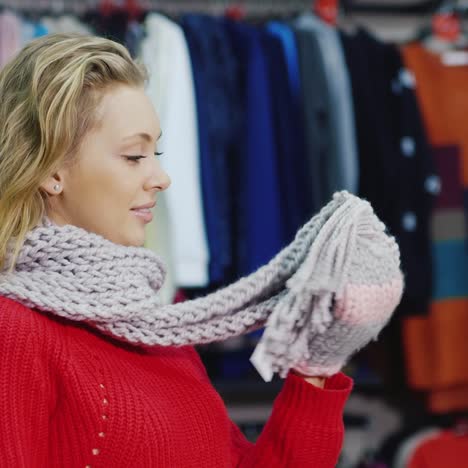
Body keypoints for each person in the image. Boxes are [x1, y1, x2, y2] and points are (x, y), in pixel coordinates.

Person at [0, 33, 353, 467]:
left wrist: (317, 363)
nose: (161, 177)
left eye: (158, 151)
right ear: (52, 171)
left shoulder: (153, 329)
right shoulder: (15, 332)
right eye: (134, 156)